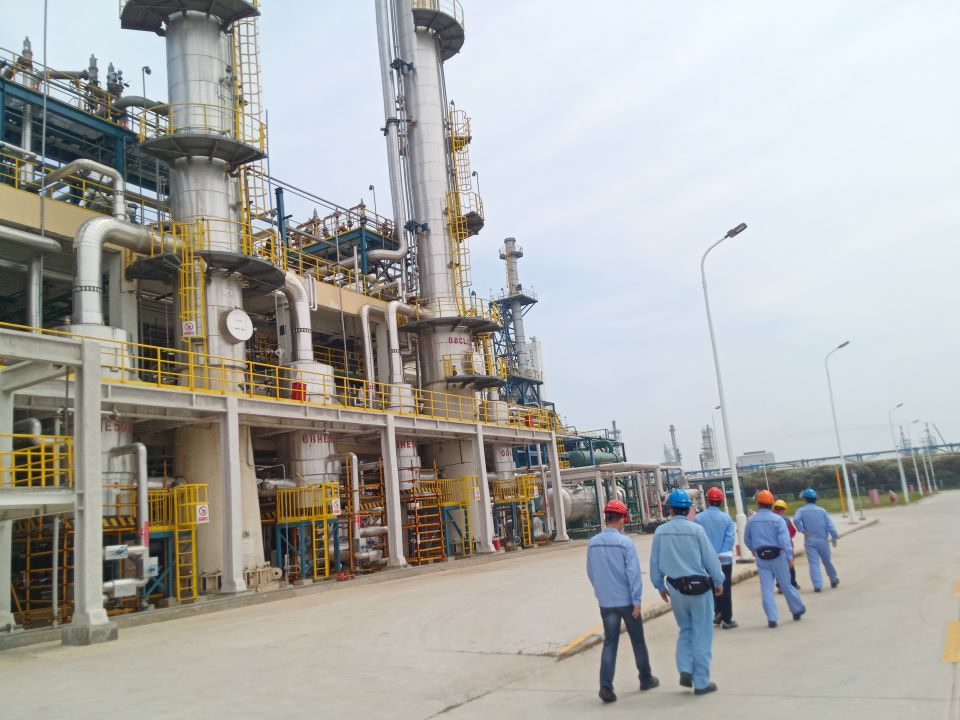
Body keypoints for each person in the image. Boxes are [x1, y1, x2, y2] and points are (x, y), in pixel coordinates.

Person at [649, 488, 725, 696]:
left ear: (671, 509)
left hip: (675, 589)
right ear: (688, 509)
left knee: (686, 630)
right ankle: (701, 682)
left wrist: (660, 585)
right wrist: (718, 581)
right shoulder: (696, 530)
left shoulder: (660, 532)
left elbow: (655, 562)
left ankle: (684, 668)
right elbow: (710, 559)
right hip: (700, 589)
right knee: (702, 633)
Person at [586, 500, 659, 704]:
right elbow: (633, 573)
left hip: (606, 602)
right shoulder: (626, 543)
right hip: (627, 601)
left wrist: (601, 592)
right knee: (638, 640)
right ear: (621, 520)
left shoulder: (593, 543)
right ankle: (645, 678)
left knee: (610, 643)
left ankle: (605, 687)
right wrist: (637, 599)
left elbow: (590, 572)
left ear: (606, 518)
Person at [744, 490, 806, 628]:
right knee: (786, 585)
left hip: (761, 557)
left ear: (758, 503)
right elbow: (784, 540)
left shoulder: (751, 520)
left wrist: (754, 550)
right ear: (771, 504)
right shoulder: (778, 520)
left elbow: (747, 539)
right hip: (778, 556)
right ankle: (796, 609)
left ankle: (772, 618)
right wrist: (789, 556)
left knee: (766, 588)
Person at [694, 486, 738, 628]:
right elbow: (729, 538)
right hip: (724, 560)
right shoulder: (726, 518)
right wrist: (720, 554)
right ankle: (727, 619)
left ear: (707, 500)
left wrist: (709, 556)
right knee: (725, 588)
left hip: (706, 561)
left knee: (711, 588)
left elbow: (697, 540)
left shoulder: (698, 519)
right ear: (721, 501)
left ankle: (718, 613)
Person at [793, 488, 840, 592]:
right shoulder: (822, 511)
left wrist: (803, 530)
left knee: (813, 563)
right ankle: (833, 579)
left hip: (810, 540)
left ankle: (817, 585)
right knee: (827, 561)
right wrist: (834, 537)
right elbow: (830, 525)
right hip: (822, 540)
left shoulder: (801, 510)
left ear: (805, 499)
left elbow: (796, 520)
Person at [773, 499, 800, 590]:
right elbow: (793, 531)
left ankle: (780, 585)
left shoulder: (770, 517)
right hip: (786, 545)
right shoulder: (785, 519)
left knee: (778, 567)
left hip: (774, 547)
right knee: (790, 565)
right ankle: (792, 583)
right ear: (783, 509)